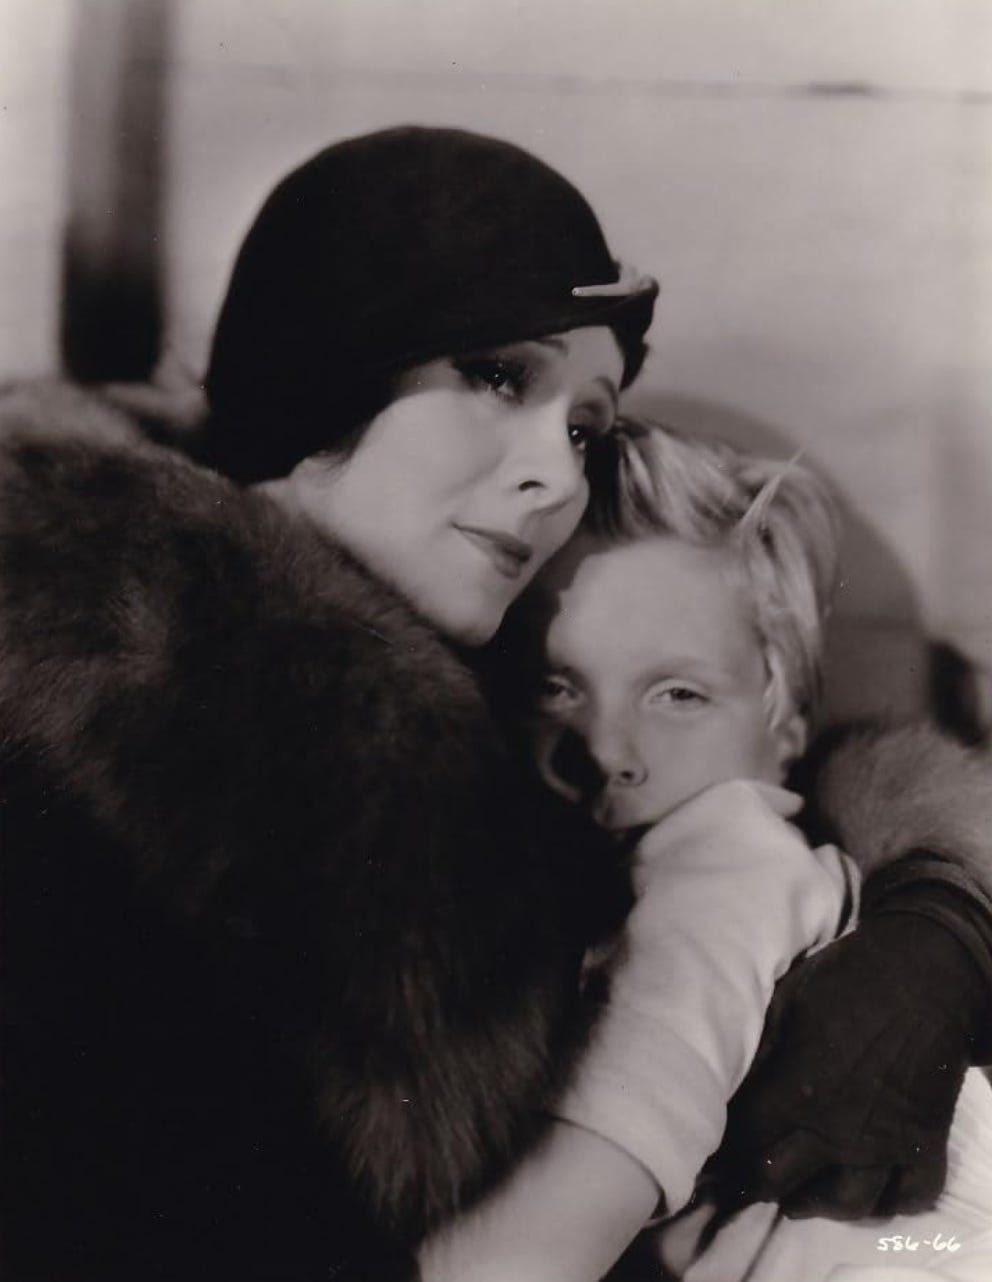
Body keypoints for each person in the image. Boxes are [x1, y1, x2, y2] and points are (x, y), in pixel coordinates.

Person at [0, 127, 990, 1282]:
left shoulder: (450, 662)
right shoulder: (81, 740)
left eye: (584, 425)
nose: (560, 475)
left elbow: (722, 772)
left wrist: (936, 909)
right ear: (322, 365)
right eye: (495, 374)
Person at [438, 418, 990, 1282]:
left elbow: (528, 1256)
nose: (606, 748)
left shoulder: (727, 861)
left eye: (679, 693)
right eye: (555, 686)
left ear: (786, 727)